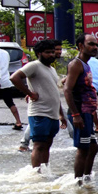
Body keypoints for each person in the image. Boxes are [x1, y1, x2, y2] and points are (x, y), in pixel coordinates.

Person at [10, 40, 66, 170]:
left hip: (52, 114)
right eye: (48, 52)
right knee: (39, 145)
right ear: (39, 53)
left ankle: (45, 171)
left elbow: (54, 93)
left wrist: (61, 115)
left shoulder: (51, 69)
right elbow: (14, 78)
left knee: (47, 145)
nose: (51, 55)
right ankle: (36, 173)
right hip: (39, 113)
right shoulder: (34, 65)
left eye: (53, 52)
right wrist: (29, 93)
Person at [63, 33, 98, 180]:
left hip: (87, 112)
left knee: (93, 147)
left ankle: (86, 178)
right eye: (91, 44)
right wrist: (76, 115)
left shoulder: (85, 64)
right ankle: (78, 182)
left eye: (96, 44)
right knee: (83, 148)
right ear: (81, 46)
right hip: (80, 112)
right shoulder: (76, 64)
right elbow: (67, 90)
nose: (95, 47)